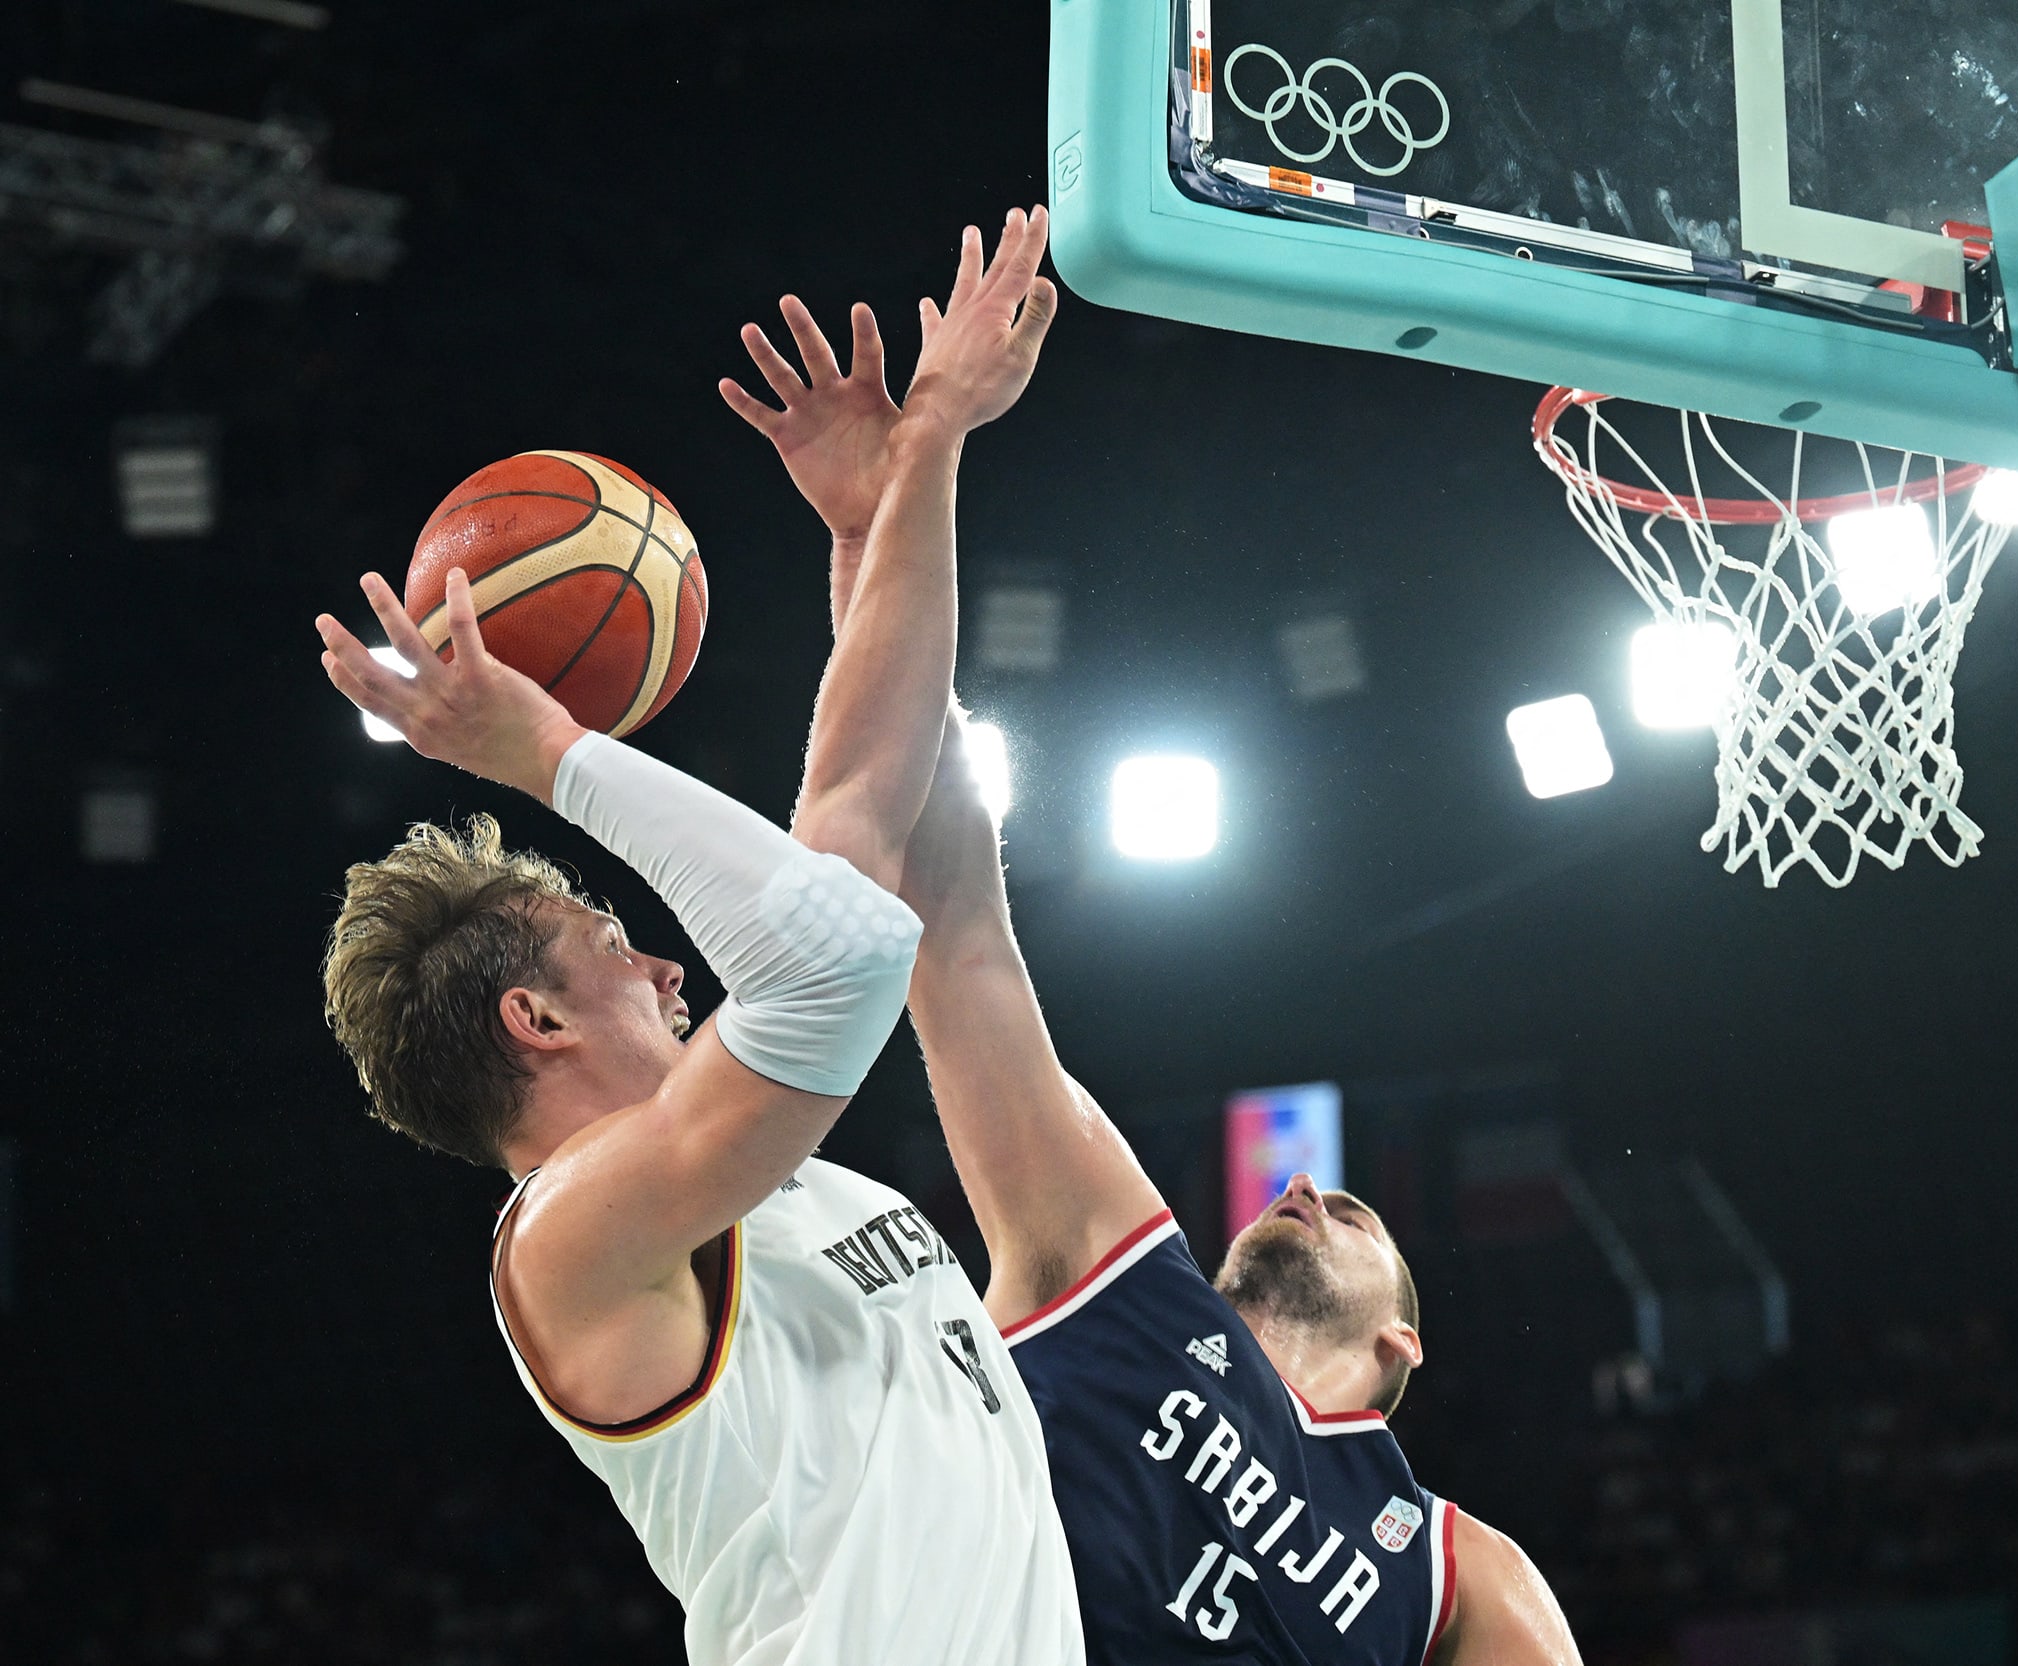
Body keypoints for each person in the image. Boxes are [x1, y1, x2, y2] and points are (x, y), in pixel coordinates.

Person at [312, 207, 1080, 1666]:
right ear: (530, 1020)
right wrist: (548, 752)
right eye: (611, 939)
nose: (668, 962)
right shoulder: (569, 1243)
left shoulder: (756, 1171)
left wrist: (890, 502)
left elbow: (863, 801)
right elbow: (846, 946)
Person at [888, 737, 1587, 1651]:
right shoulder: (1126, 1287)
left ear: (1401, 1341)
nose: (1303, 1184)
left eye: (1353, 1213)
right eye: (1311, 1189)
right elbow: (961, 943)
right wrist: (903, 606)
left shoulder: (1455, 1570)